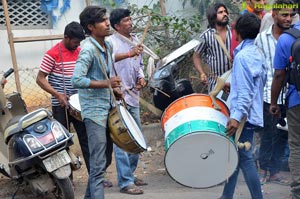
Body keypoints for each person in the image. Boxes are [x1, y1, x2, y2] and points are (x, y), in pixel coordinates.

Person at [72, 6, 122, 199]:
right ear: (91, 27)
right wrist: (105, 84)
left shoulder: (107, 46)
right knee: (98, 164)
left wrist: (114, 90)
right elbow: (76, 80)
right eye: (102, 21)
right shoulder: (87, 50)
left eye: (107, 19)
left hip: (108, 108)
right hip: (94, 113)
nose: (107, 23)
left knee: (104, 159)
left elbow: (106, 74)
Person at [218, 13, 266, 199]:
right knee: (238, 157)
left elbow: (245, 93)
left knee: (245, 158)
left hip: (243, 115)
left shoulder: (242, 57)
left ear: (237, 32)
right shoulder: (256, 52)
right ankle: (226, 196)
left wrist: (236, 117)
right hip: (251, 112)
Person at [36, 21, 90, 172]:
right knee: (62, 143)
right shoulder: (52, 54)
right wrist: (57, 94)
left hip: (79, 105)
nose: (77, 45)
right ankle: (67, 179)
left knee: (86, 140)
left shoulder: (80, 51)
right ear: (66, 37)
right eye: (75, 41)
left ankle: (95, 177)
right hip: (60, 106)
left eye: (79, 42)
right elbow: (40, 79)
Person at [255, 0, 295, 186]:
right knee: (268, 134)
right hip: (267, 95)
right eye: (284, 15)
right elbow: (257, 68)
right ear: (274, 16)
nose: (288, 19)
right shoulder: (262, 39)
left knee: (284, 136)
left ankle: (275, 172)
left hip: (290, 95)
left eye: (290, 15)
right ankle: (263, 170)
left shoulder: (295, 37)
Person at [107, 8, 147, 195]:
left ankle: (129, 174)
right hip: (118, 97)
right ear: (117, 26)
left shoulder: (135, 39)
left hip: (133, 96)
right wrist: (129, 53)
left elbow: (139, 64)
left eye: (131, 19)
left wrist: (141, 77)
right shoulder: (110, 42)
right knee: (122, 140)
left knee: (136, 138)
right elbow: (109, 60)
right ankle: (125, 182)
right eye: (126, 20)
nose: (130, 23)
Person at [270, 9, 300, 199]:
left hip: (296, 100)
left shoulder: (286, 39)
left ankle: (298, 191)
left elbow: (279, 74)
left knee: (296, 145)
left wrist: (274, 102)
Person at [193, 3, 232, 93]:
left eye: (225, 11)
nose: (225, 14)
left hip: (233, 81)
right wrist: (202, 73)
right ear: (213, 17)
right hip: (215, 83)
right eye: (220, 12)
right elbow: (196, 56)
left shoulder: (234, 32)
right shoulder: (205, 35)